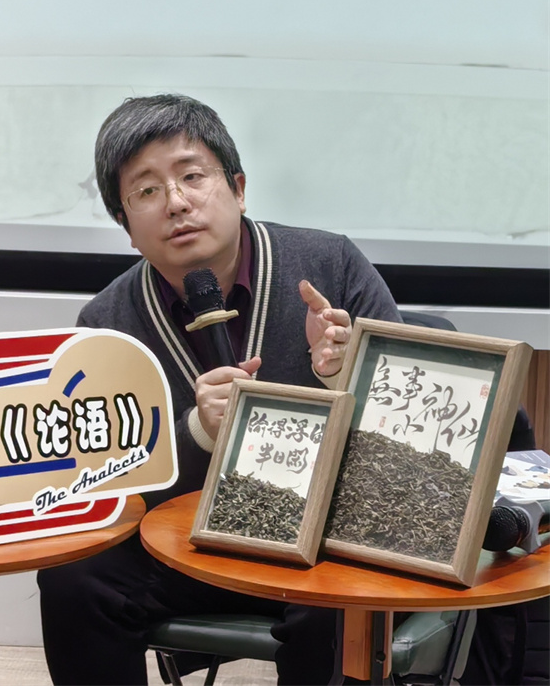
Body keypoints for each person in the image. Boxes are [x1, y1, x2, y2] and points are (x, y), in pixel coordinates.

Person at [37, 94, 402, 685]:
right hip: (188, 546)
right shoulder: (106, 323)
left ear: (237, 188)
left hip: (323, 545)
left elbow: (405, 435)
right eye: (146, 191)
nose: (176, 203)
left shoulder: (329, 265)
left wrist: (340, 378)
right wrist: (195, 433)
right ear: (126, 227)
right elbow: (99, 480)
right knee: (76, 580)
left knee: (338, 597)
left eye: (192, 176)